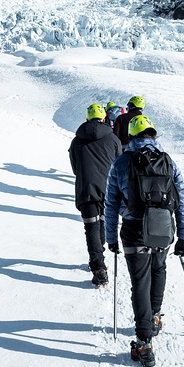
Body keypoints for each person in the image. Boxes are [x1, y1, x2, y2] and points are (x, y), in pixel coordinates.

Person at [104, 115, 184, 367]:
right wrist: (183, 237)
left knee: (140, 282)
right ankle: (154, 317)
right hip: (163, 229)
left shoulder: (121, 163)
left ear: (130, 136)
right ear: (154, 135)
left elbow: (110, 204)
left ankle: (144, 342)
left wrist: (110, 238)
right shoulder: (168, 162)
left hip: (133, 231)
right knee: (159, 269)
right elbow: (182, 201)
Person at [69, 103, 122, 286]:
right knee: (103, 223)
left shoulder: (77, 140)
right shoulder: (113, 139)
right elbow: (119, 165)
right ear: (103, 118)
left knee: (91, 227)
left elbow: (75, 168)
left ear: (87, 118)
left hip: (86, 189)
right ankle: (99, 254)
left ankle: (98, 267)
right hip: (108, 190)